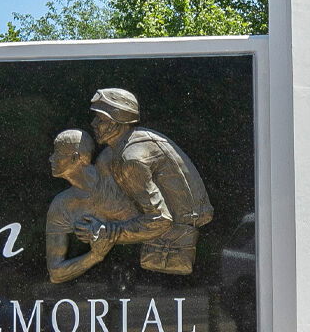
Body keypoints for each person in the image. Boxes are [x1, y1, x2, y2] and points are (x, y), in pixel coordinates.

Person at [74, 88, 214, 275]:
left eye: (101, 119)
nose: (93, 124)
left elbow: (160, 220)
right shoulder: (122, 147)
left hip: (172, 244)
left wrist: (105, 231)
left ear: (118, 121)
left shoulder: (131, 160)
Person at [45, 129, 136, 283]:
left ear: (75, 158)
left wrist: (110, 232)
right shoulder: (61, 206)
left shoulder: (112, 167)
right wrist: (95, 255)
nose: (51, 158)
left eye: (57, 153)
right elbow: (56, 273)